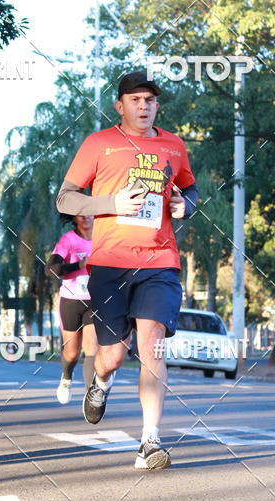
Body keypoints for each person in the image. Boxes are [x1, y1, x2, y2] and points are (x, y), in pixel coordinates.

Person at [56, 70, 198, 471]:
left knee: (153, 347)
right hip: (110, 265)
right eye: (134, 100)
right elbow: (65, 200)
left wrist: (186, 205)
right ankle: (100, 384)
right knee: (113, 357)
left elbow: (190, 187)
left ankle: (149, 442)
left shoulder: (174, 145)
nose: (143, 106)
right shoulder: (99, 143)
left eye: (150, 100)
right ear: (120, 106)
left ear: (157, 106)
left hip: (160, 262)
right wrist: (112, 203)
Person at [45, 215, 97, 404]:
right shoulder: (68, 240)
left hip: (94, 300)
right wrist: (79, 265)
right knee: (72, 352)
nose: (86, 218)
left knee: (92, 349)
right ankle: (66, 377)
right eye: (81, 215)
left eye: (90, 214)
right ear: (74, 218)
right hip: (71, 300)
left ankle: (91, 397)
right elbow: (50, 269)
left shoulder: (104, 237)